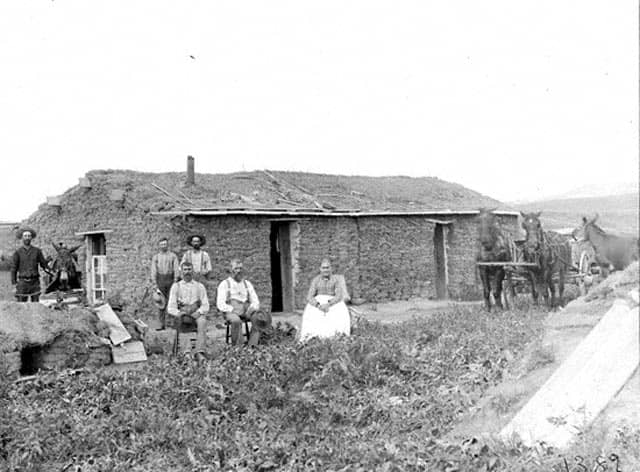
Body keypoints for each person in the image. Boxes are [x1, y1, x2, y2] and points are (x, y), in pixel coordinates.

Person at [216, 259, 266, 346]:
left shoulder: (247, 284)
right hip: (231, 311)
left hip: (246, 310)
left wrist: (251, 309)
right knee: (236, 321)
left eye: (240, 268)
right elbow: (220, 304)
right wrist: (233, 309)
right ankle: (239, 347)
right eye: (236, 269)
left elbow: (255, 301)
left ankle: (252, 345)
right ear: (231, 270)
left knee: (259, 317)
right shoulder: (225, 284)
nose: (239, 271)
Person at [299, 258, 350, 342]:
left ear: (331, 269)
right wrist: (318, 305)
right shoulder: (316, 280)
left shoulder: (336, 280)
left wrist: (329, 304)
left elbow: (339, 295)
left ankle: (336, 337)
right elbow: (309, 296)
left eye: (327, 267)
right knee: (312, 315)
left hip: (332, 302)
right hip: (318, 303)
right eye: (323, 268)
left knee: (340, 315)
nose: (325, 270)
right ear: (320, 269)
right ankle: (313, 337)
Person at [167, 261, 210, 361]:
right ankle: (187, 352)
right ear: (181, 271)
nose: (187, 272)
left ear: (193, 271)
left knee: (202, 321)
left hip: (196, 313)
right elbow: (170, 307)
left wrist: (199, 312)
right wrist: (179, 313)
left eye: (189, 269)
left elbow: (206, 305)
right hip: (183, 313)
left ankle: (200, 352)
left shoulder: (199, 286)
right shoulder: (176, 286)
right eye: (185, 270)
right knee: (184, 321)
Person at [11, 228, 50, 302]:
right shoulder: (17, 253)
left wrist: (48, 265)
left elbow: (43, 265)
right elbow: (13, 269)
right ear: (22, 238)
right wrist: (14, 284)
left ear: (31, 238)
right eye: (25, 236)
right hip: (22, 283)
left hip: (35, 283)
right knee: (21, 306)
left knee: (35, 306)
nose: (27, 238)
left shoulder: (37, 251)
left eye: (29, 236)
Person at [150, 238, 180, 329]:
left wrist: (175, 280)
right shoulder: (156, 257)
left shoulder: (173, 256)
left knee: (172, 301)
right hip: (160, 280)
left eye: (165, 244)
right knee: (160, 302)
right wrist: (154, 282)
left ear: (168, 245)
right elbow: (153, 270)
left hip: (170, 279)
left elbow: (176, 268)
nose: (163, 246)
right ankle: (161, 324)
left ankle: (172, 323)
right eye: (162, 244)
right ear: (159, 246)